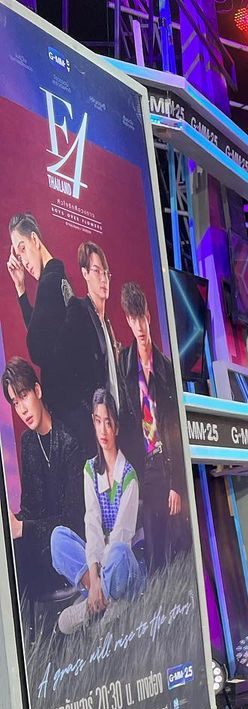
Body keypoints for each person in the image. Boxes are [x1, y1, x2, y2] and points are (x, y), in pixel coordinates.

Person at [50, 387, 145, 634]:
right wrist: (94, 577)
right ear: (93, 422)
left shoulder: (129, 476)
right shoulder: (90, 470)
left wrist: (100, 577)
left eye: (108, 422)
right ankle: (100, 598)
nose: (103, 430)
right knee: (58, 538)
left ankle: (93, 605)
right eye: (98, 421)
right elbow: (91, 524)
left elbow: (122, 535)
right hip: (99, 564)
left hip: (122, 566)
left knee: (119, 550)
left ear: (116, 427)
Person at [1, 356, 84, 605]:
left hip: (68, 544)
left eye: (24, 396)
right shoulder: (28, 442)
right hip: (41, 542)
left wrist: (24, 528)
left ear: (37, 390)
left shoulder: (69, 442)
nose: (22, 410)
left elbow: (73, 519)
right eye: (15, 402)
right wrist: (13, 524)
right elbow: (30, 508)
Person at [117, 281, 182, 570]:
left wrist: (177, 483)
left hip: (165, 461)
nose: (140, 326)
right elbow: (125, 421)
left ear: (148, 316)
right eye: (133, 319)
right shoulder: (124, 363)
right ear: (128, 321)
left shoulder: (165, 367)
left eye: (142, 317)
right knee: (152, 551)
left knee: (173, 550)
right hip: (142, 464)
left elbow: (175, 428)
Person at [61, 241, 124, 454]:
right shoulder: (78, 310)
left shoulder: (106, 324)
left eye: (106, 273)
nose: (103, 279)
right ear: (85, 273)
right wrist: (92, 421)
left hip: (116, 428)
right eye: (97, 271)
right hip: (94, 432)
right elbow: (70, 373)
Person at [7, 213, 71, 416]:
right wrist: (20, 288)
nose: (24, 261)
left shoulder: (49, 282)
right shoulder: (59, 276)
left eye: (23, 249)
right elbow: (39, 330)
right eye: (19, 256)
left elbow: (36, 349)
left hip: (64, 405)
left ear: (34, 239)